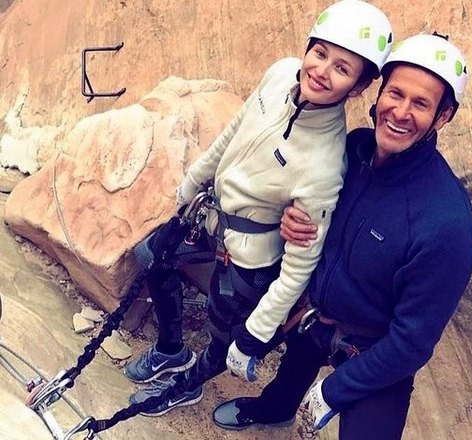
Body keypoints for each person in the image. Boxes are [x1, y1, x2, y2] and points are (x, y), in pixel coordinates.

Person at [124, 0, 394, 417]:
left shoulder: (324, 165)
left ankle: (186, 385)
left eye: (342, 68)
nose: (321, 71)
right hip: (212, 217)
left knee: (222, 335)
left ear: (358, 88)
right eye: (320, 53)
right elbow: (236, 129)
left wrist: (256, 333)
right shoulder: (281, 73)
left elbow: (300, 266)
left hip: (249, 260)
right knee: (151, 256)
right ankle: (171, 349)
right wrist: (193, 182)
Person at [213, 33, 472, 439]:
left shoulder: (445, 223)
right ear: (380, 93)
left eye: (421, 103)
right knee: (294, 358)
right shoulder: (354, 150)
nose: (401, 112)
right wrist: (290, 217)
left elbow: (412, 341)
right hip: (315, 314)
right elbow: (307, 199)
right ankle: (276, 408)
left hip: (375, 348)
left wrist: (336, 390)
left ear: (443, 116)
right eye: (396, 93)